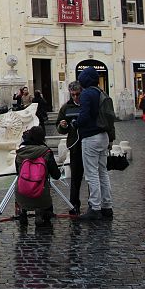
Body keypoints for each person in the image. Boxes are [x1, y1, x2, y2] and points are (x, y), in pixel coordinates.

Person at [75, 66, 112, 221]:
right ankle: (107, 206)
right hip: (104, 135)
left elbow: (84, 116)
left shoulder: (86, 94)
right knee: (103, 172)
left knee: (91, 174)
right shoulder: (101, 92)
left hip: (90, 137)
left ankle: (95, 207)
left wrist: (75, 123)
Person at [14, 126, 60, 228]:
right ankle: (42, 213)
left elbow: (18, 172)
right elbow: (56, 175)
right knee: (45, 201)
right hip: (41, 196)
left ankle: (22, 212)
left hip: (21, 194)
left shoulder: (20, 153)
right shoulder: (46, 153)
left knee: (22, 189)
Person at [56, 82, 83, 215]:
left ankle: (94, 204)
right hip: (74, 144)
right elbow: (59, 127)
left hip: (88, 142)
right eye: (73, 95)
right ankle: (74, 204)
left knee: (91, 176)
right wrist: (63, 125)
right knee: (75, 177)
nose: (76, 97)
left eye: (78, 94)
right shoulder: (66, 107)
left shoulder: (86, 104)